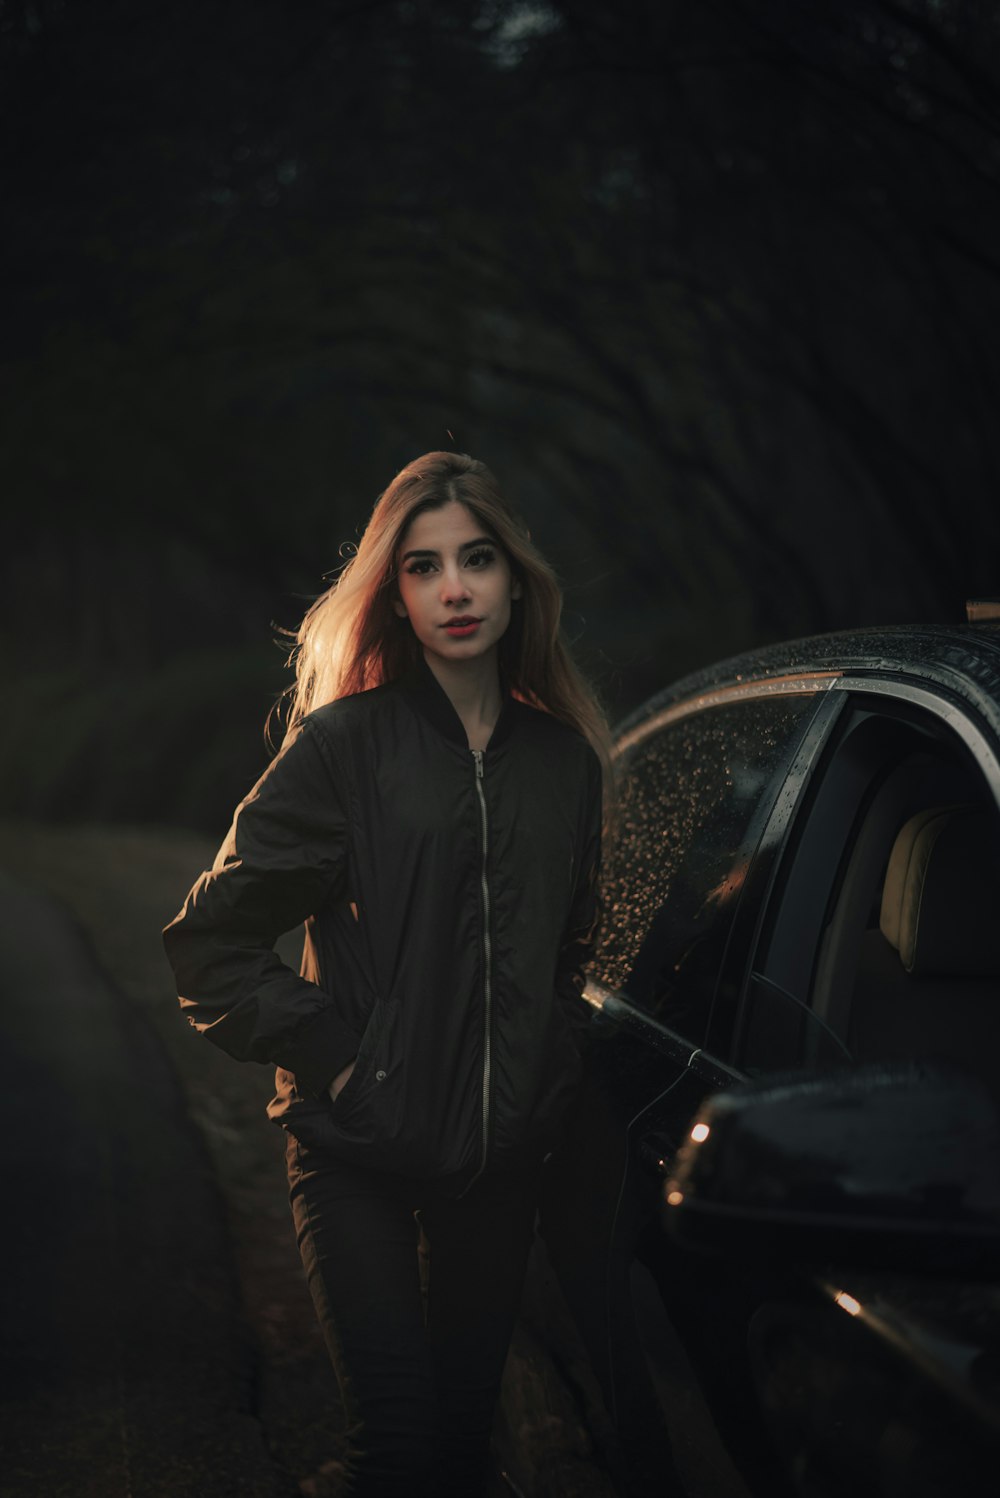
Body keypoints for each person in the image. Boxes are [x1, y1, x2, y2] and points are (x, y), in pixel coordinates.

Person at [162, 451, 611, 1497]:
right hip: (356, 1149)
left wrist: (545, 1067)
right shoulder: (342, 749)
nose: (455, 588)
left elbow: (566, 950)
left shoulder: (563, 765)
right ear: (395, 593)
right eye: (423, 566)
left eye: (477, 559)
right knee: (396, 1455)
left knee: (457, 1460)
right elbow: (209, 945)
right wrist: (344, 1064)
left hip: (495, 1168)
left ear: (514, 579)